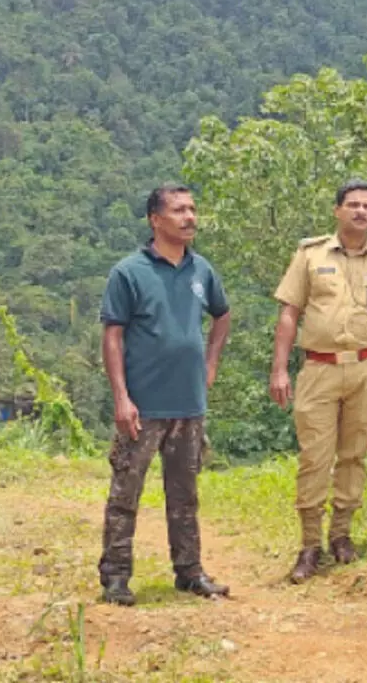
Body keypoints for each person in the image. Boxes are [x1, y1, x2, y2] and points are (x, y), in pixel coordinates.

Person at [97, 184, 233, 606]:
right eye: (179, 210)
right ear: (156, 219)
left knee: (185, 493)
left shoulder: (202, 270)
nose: (189, 217)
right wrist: (122, 397)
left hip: (189, 403)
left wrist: (210, 364)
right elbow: (112, 336)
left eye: (192, 209)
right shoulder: (129, 272)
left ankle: (189, 572)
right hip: (144, 405)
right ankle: (116, 578)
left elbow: (222, 315)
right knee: (126, 493)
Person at [271, 180, 367, 583]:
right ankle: (310, 544)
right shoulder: (310, 255)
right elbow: (289, 314)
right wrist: (279, 368)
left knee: (354, 455)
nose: (360, 212)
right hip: (319, 368)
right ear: (337, 211)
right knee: (315, 456)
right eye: (352, 205)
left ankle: (343, 535)